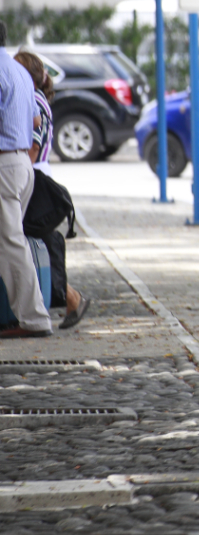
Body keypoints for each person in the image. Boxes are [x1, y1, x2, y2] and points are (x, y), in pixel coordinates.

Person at [11, 51, 88, 329]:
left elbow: (33, 143)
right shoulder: (35, 99)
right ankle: (67, 299)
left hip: (35, 175)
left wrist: (22, 172)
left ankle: (67, 298)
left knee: (17, 240)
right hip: (35, 173)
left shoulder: (32, 100)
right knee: (23, 241)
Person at [0, 24, 53, 338]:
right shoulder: (18, 71)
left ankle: (34, 319)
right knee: (8, 243)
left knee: (10, 244)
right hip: (21, 164)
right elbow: (35, 119)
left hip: (4, 163)